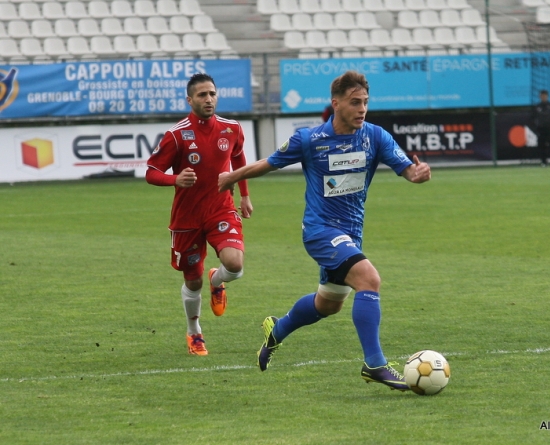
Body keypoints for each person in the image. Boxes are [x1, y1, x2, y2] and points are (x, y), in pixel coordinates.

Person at [218, 70, 431, 391]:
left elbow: (407, 168)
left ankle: (276, 330)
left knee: (328, 304)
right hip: (319, 231)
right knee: (369, 279)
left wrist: (417, 174)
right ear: (336, 103)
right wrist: (231, 178)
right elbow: (269, 162)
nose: (362, 109)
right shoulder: (309, 140)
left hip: (350, 235)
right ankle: (375, 364)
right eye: (355, 102)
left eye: (366, 103)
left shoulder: (375, 137)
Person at [146, 73, 253, 356]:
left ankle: (217, 280)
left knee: (235, 265)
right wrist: (175, 179)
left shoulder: (231, 128)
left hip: (221, 208)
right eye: (202, 95)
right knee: (192, 280)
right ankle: (195, 333)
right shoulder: (177, 135)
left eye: (212, 94)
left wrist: (244, 194)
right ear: (190, 100)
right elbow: (151, 172)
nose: (209, 99)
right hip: (187, 218)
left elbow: (239, 157)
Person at [532, 89, 550, 166]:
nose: (543, 97)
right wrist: (535, 129)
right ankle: (544, 162)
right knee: (541, 146)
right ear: (540, 97)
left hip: (549, 129)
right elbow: (533, 118)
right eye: (542, 96)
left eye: (545, 96)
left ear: (547, 96)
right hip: (540, 130)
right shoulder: (537, 107)